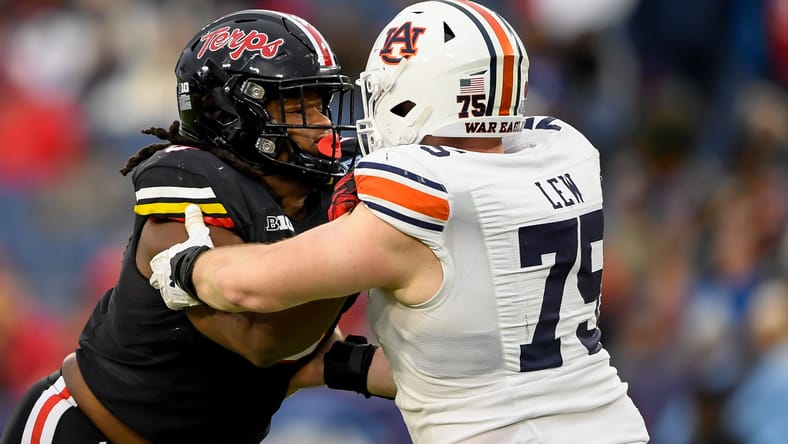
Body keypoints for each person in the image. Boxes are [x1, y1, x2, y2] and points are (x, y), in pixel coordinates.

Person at [151, 1, 650, 443]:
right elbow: (461, 367)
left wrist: (188, 266)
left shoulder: (425, 199)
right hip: (611, 424)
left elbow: (251, 288)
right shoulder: (559, 154)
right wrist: (338, 366)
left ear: (416, 95)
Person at [0, 9, 359, 444]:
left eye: (319, 103)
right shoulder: (189, 183)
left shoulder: (319, 201)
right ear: (229, 113)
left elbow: (311, 349)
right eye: (296, 105)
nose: (320, 121)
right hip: (93, 431)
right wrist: (354, 237)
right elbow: (261, 339)